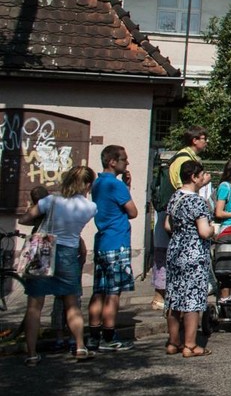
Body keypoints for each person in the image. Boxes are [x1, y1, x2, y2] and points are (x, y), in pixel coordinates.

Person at [19, 165, 98, 366]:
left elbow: (25, 218)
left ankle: (32, 354)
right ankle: (80, 346)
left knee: (35, 305)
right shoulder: (90, 207)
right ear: (87, 185)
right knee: (71, 302)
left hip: (43, 250)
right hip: (68, 252)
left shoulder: (50, 200)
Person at [86, 145, 138, 352]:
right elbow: (132, 211)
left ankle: (93, 335)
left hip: (102, 241)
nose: (127, 163)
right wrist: (126, 187)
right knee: (113, 293)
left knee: (99, 290)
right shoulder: (115, 186)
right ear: (112, 162)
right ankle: (109, 335)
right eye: (124, 159)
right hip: (117, 242)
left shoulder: (98, 183)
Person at [163, 161, 214, 358]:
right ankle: (190, 345)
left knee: (174, 297)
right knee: (192, 299)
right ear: (194, 177)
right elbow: (203, 231)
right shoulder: (197, 201)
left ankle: (173, 341)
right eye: (201, 175)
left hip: (175, 250)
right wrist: (213, 230)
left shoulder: (175, 196)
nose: (203, 178)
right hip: (193, 254)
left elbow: (168, 226)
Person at [152, 126, 206, 311]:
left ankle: (169, 299)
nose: (205, 142)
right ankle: (162, 297)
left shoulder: (185, 157)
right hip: (180, 218)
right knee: (168, 255)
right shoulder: (184, 159)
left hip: (174, 216)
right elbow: (181, 187)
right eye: (203, 138)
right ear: (195, 140)